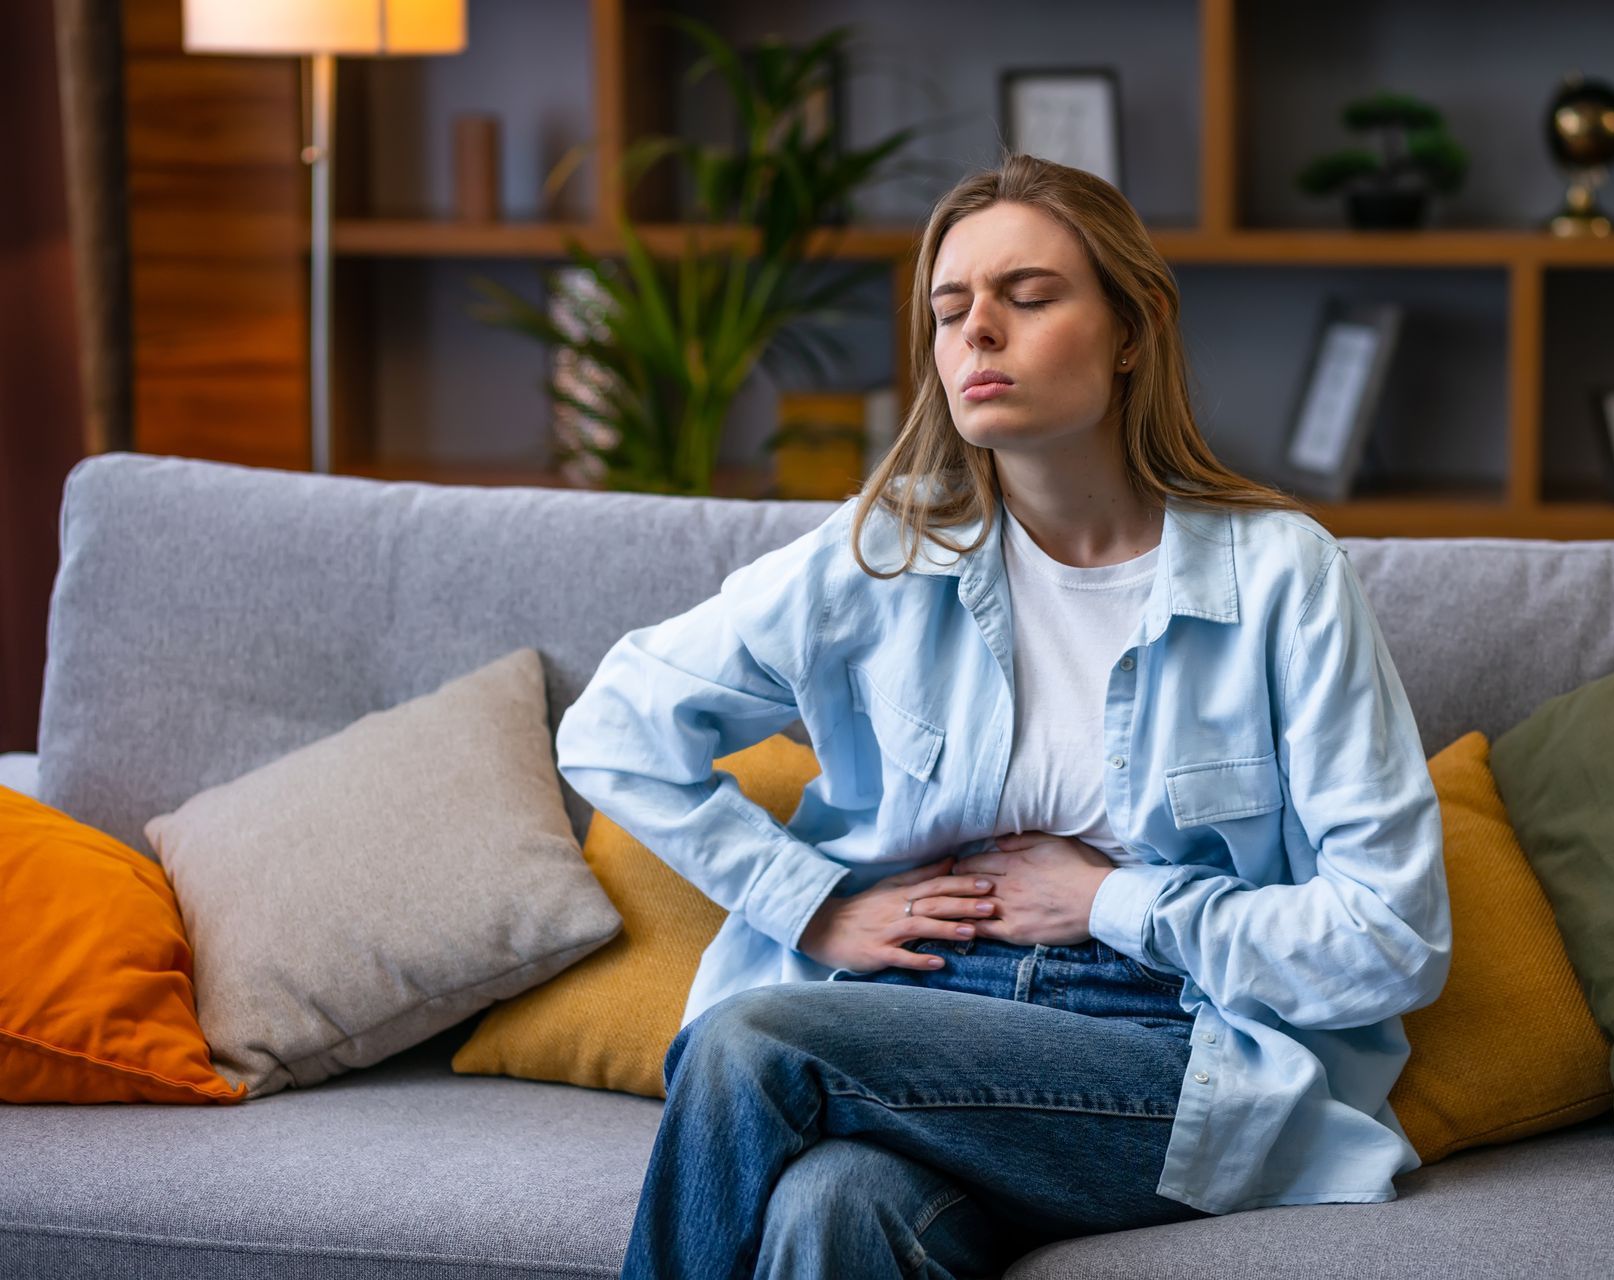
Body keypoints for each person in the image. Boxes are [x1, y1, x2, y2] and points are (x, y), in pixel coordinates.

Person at [554, 152, 1453, 1280]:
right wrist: (815, 905)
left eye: (1027, 297)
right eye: (948, 309)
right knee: (831, 1210)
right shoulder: (884, 551)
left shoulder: (1282, 576)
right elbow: (613, 726)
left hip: (1162, 1046)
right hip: (912, 1022)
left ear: (1132, 327)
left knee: (754, 1040)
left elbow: (1394, 937)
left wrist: (1116, 897)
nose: (977, 331)